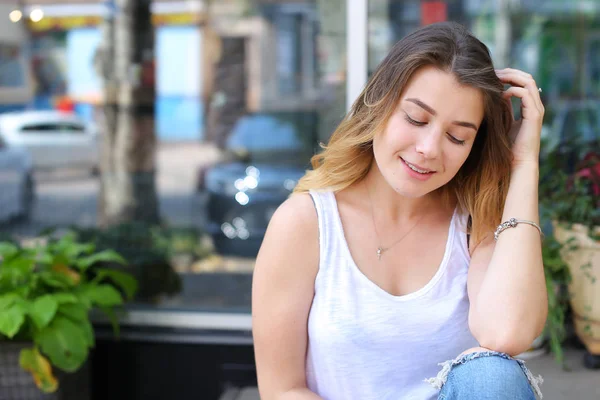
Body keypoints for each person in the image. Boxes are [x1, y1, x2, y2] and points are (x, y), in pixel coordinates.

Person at [252, 22, 547, 400]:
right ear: (380, 105)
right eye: (416, 119)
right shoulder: (305, 223)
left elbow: (507, 334)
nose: (429, 148)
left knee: (492, 378)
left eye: (457, 137)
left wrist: (523, 164)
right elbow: (281, 390)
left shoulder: (474, 223)